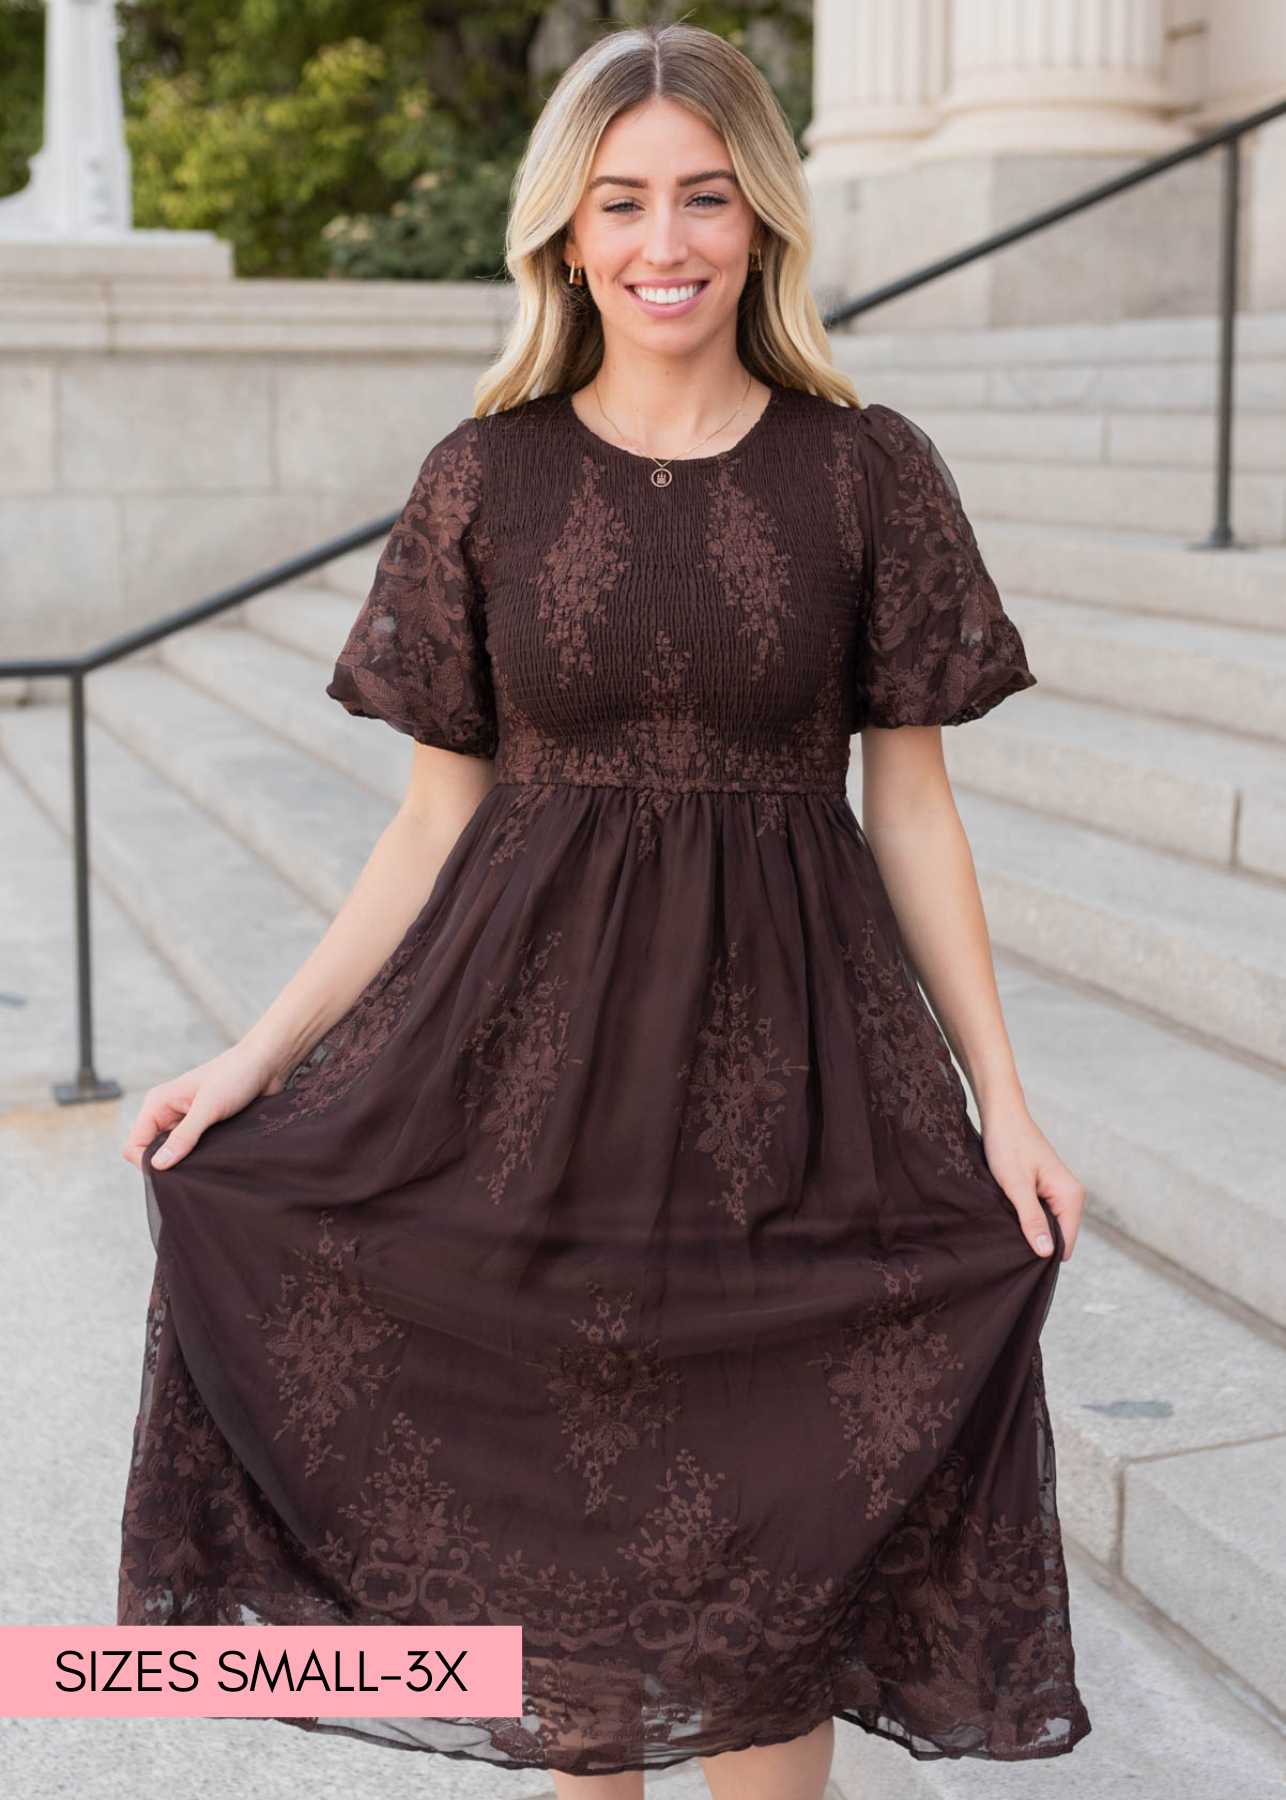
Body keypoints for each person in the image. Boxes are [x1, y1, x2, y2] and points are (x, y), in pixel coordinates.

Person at [117, 20, 1092, 1798]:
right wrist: (252, 1062)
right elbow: (427, 834)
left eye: (704, 198)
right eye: (621, 201)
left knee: (772, 1579)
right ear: (564, 233)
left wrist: (1003, 1106)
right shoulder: (483, 479)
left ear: (763, 219)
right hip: (526, 1086)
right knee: (577, 1591)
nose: (664, 242)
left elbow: (918, 811)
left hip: (804, 1092)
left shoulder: (868, 469)